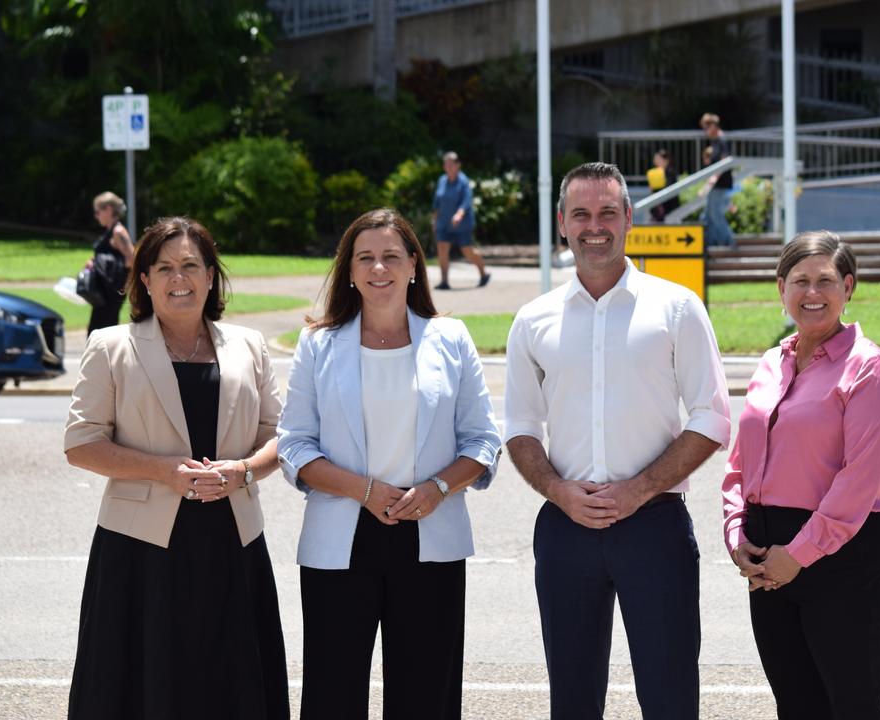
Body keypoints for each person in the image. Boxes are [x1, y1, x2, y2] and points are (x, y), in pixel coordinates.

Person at [504, 162, 733, 719]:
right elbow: (519, 427)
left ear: (630, 217)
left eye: (608, 212)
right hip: (566, 527)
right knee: (573, 698)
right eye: (580, 213)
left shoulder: (676, 308)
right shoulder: (533, 320)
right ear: (562, 222)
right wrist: (558, 491)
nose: (594, 226)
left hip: (654, 525)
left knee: (670, 693)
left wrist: (640, 488)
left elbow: (714, 416)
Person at [277, 207, 502, 719]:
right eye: (366, 258)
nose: (380, 269)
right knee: (332, 695)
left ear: (414, 266)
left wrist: (438, 488)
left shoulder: (451, 338)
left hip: (431, 536)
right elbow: (294, 445)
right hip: (339, 541)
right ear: (350, 271)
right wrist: (364, 490)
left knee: (426, 695)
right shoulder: (317, 343)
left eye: (391, 257)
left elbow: (484, 440)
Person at [64, 216, 289, 719]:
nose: (178, 278)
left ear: (212, 276)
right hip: (139, 553)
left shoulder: (250, 346)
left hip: (233, 542)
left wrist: (243, 472)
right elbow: (81, 444)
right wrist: (161, 470)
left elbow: (280, 437)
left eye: (190, 265)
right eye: (163, 267)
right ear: (143, 279)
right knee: (140, 688)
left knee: (230, 684)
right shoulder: (110, 345)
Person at [723, 230, 880, 720]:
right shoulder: (770, 362)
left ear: (848, 287)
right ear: (780, 288)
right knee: (797, 705)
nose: (812, 293)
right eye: (799, 281)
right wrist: (737, 532)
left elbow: (858, 482)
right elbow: (742, 463)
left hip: (845, 554)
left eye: (825, 280)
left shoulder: (869, 369)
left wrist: (797, 556)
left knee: (853, 707)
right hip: (767, 552)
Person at [432, 151, 490, 290]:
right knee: (442, 248)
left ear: (458, 165)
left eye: (451, 164)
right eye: (446, 164)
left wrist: (459, 214)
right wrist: (434, 220)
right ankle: (444, 281)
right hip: (443, 222)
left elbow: (466, 201)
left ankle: (483, 273)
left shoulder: (463, 181)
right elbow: (437, 202)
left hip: (462, 224)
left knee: (467, 250)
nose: (448, 167)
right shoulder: (442, 180)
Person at [86, 191, 135, 334]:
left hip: (111, 291)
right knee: (98, 331)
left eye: (97, 211)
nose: (96, 216)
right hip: (104, 291)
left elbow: (131, 258)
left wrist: (116, 276)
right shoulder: (111, 231)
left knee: (100, 332)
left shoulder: (118, 231)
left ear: (108, 209)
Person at [700, 113, 736, 248]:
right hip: (715, 183)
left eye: (706, 128)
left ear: (713, 125)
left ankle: (729, 243)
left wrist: (714, 177)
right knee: (708, 215)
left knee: (715, 214)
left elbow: (724, 160)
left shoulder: (722, 139)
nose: (705, 131)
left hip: (721, 183)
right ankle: (711, 243)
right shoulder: (715, 141)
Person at [645, 149, 681, 223]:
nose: (656, 162)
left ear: (666, 161)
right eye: (655, 160)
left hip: (669, 205)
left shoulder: (670, 172)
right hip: (658, 205)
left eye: (658, 160)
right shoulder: (654, 172)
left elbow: (670, 187)